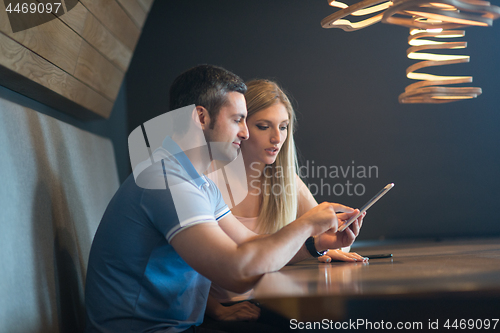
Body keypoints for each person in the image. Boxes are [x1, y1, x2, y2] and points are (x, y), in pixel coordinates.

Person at [84, 65, 364, 333]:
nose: (244, 132)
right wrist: (304, 225)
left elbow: (250, 243)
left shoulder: (198, 181)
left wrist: (314, 243)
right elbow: (236, 272)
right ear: (201, 118)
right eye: (237, 120)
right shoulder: (166, 180)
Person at [202, 80, 367, 330]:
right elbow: (187, 265)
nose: (277, 138)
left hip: (271, 303)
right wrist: (216, 311)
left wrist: (327, 244)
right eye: (263, 126)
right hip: (223, 310)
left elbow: (321, 237)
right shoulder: (207, 179)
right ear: (241, 127)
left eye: (283, 127)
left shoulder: (288, 181)